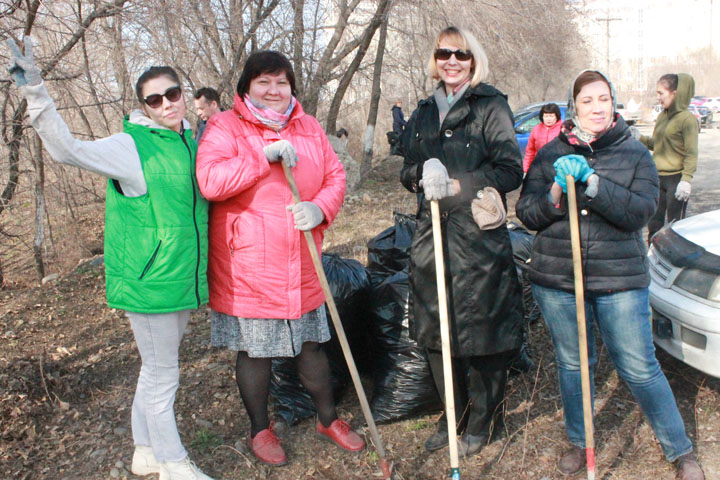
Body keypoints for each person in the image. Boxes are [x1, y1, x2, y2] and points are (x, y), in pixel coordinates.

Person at [6, 37, 213, 480]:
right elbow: (66, 150)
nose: (165, 104)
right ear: (144, 105)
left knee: (154, 369)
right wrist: (36, 91)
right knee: (163, 376)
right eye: (154, 99)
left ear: (184, 91)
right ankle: (175, 465)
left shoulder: (193, 140)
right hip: (150, 281)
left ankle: (145, 452)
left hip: (180, 278)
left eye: (172, 94)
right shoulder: (131, 146)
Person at [516, 69, 704, 480]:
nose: (596, 107)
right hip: (560, 281)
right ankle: (580, 441)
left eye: (603, 98)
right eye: (587, 100)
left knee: (639, 366)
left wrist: (594, 183)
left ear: (613, 103)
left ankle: (680, 449)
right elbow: (527, 214)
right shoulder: (550, 155)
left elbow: (640, 213)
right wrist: (554, 193)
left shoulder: (636, 153)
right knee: (574, 364)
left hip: (619, 280)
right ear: (574, 107)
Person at [195, 50, 364, 467]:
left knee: (311, 347)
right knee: (256, 352)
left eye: (282, 82)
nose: (274, 90)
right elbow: (210, 182)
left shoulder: (307, 126)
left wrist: (321, 208)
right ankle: (259, 429)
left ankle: (328, 419)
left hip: (302, 256)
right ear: (246, 87)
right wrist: (260, 156)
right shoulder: (224, 126)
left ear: (292, 87)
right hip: (250, 265)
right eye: (263, 82)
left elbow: (335, 175)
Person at [400, 26, 524, 458]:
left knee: (482, 328)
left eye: (462, 54)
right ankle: (453, 413)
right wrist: (422, 173)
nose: (452, 61)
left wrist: (457, 183)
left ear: (474, 60)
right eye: (444, 53)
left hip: (478, 238)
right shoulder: (424, 110)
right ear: (435, 59)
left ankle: (486, 418)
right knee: (435, 328)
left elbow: (511, 170)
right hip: (431, 235)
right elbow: (406, 170)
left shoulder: (490, 106)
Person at [638, 73, 698, 241]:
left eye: (661, 93)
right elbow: (657, 144)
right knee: (654, 224)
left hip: (676, 180)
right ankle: (652, 261)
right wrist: (639, 138)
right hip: (658, 178)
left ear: (675, 93)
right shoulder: (663, 116)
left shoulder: (687, 120)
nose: (658, 98)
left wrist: (686, 179)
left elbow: (691, 153)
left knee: (676, 227)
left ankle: (675, 264)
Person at [523, 102, 562, 173]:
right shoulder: (536, 129)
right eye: (546, 116)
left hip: (557, 168)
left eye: (551, 116)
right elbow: (530, 151)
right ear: (542, 117)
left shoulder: (563, 129)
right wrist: (526, 170)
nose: (548, 119)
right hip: (539, 167)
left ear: (557, 116)